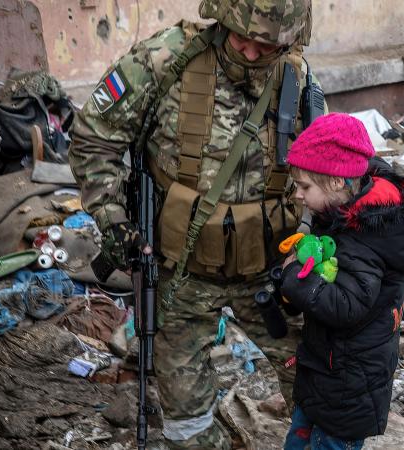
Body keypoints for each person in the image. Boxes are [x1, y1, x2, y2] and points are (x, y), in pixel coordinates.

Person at [69, 0, 320, 448]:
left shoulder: (296, 78)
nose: (247, 51)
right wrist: (113, 219)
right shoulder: (166, 59)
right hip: (181, 275)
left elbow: (324, 168)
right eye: (240, 35)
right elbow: (93, 137)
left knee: (321, 386)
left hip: (271, 272)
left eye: (265, 45)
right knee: (186, 421)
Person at [277, 113, 404, 449]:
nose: (298, 195)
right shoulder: (338, 214)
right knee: (300, 437)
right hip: (327, 368)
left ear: (337, 182)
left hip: (350, 382)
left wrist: (293, 278)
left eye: (304, 187)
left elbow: (346, 305)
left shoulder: (365, 237)